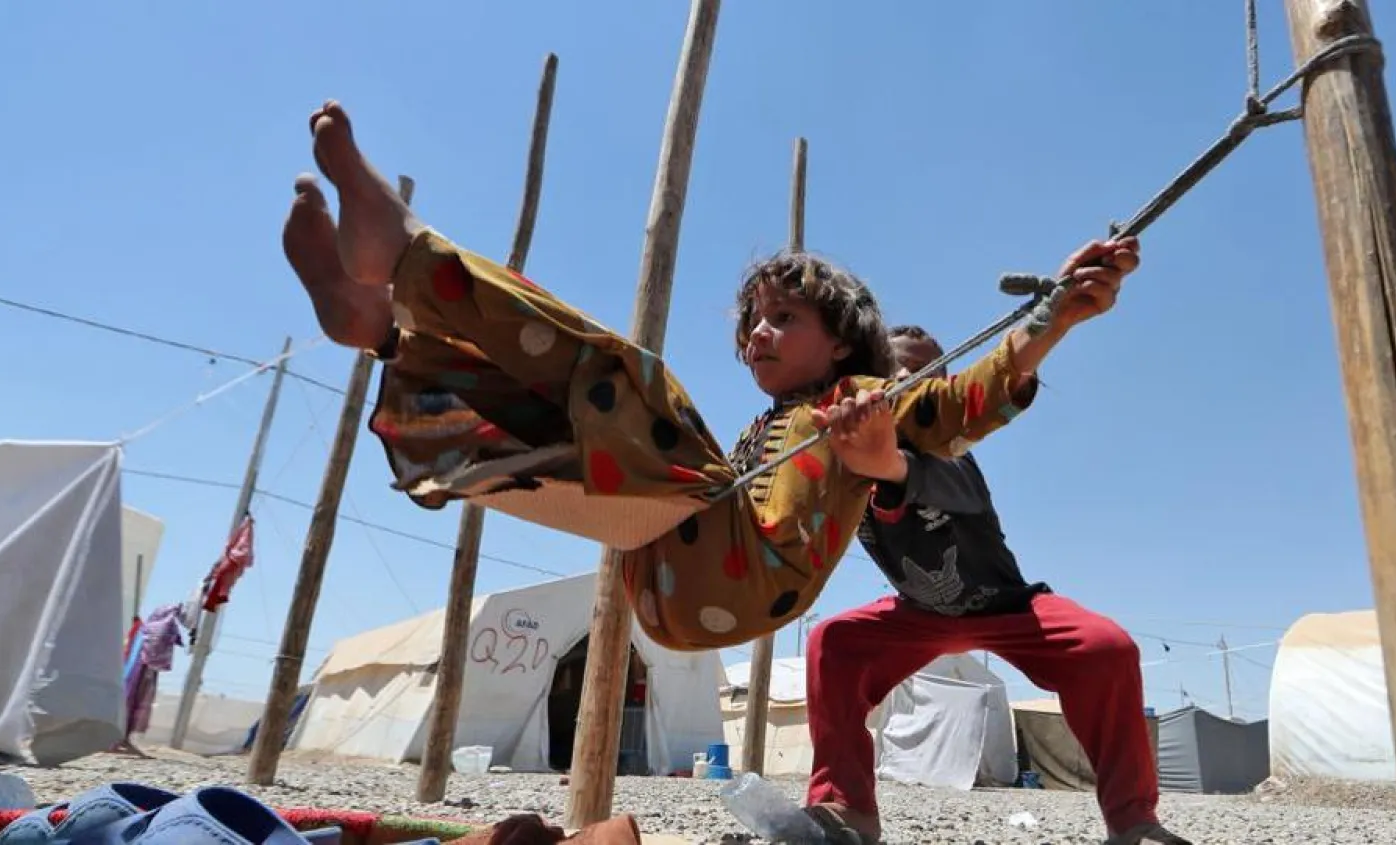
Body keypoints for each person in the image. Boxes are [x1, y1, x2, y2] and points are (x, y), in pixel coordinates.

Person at [281, 100, 1141, 653]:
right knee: (570, 414)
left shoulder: (861, 405)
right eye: (753, 321)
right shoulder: (747, 440)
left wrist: (1054, 315)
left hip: (743, 575)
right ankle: (387, 334)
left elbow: (966, 400)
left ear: (842, 344)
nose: (760, 332)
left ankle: (404, 254)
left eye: (785, 318)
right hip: (663, 573)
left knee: (625, 376)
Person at [801, 326, 1190, 845]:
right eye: (893, 370)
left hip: (1007, 606)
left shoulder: (953, 457)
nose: (904, 380)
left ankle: (1132, 820)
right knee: (833, 643)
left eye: (923, 373)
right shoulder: (843, 471)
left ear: (944, 388)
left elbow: (920, 468)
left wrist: (887, 466)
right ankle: (847, 809)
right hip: (920, 612)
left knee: (1107, 649)